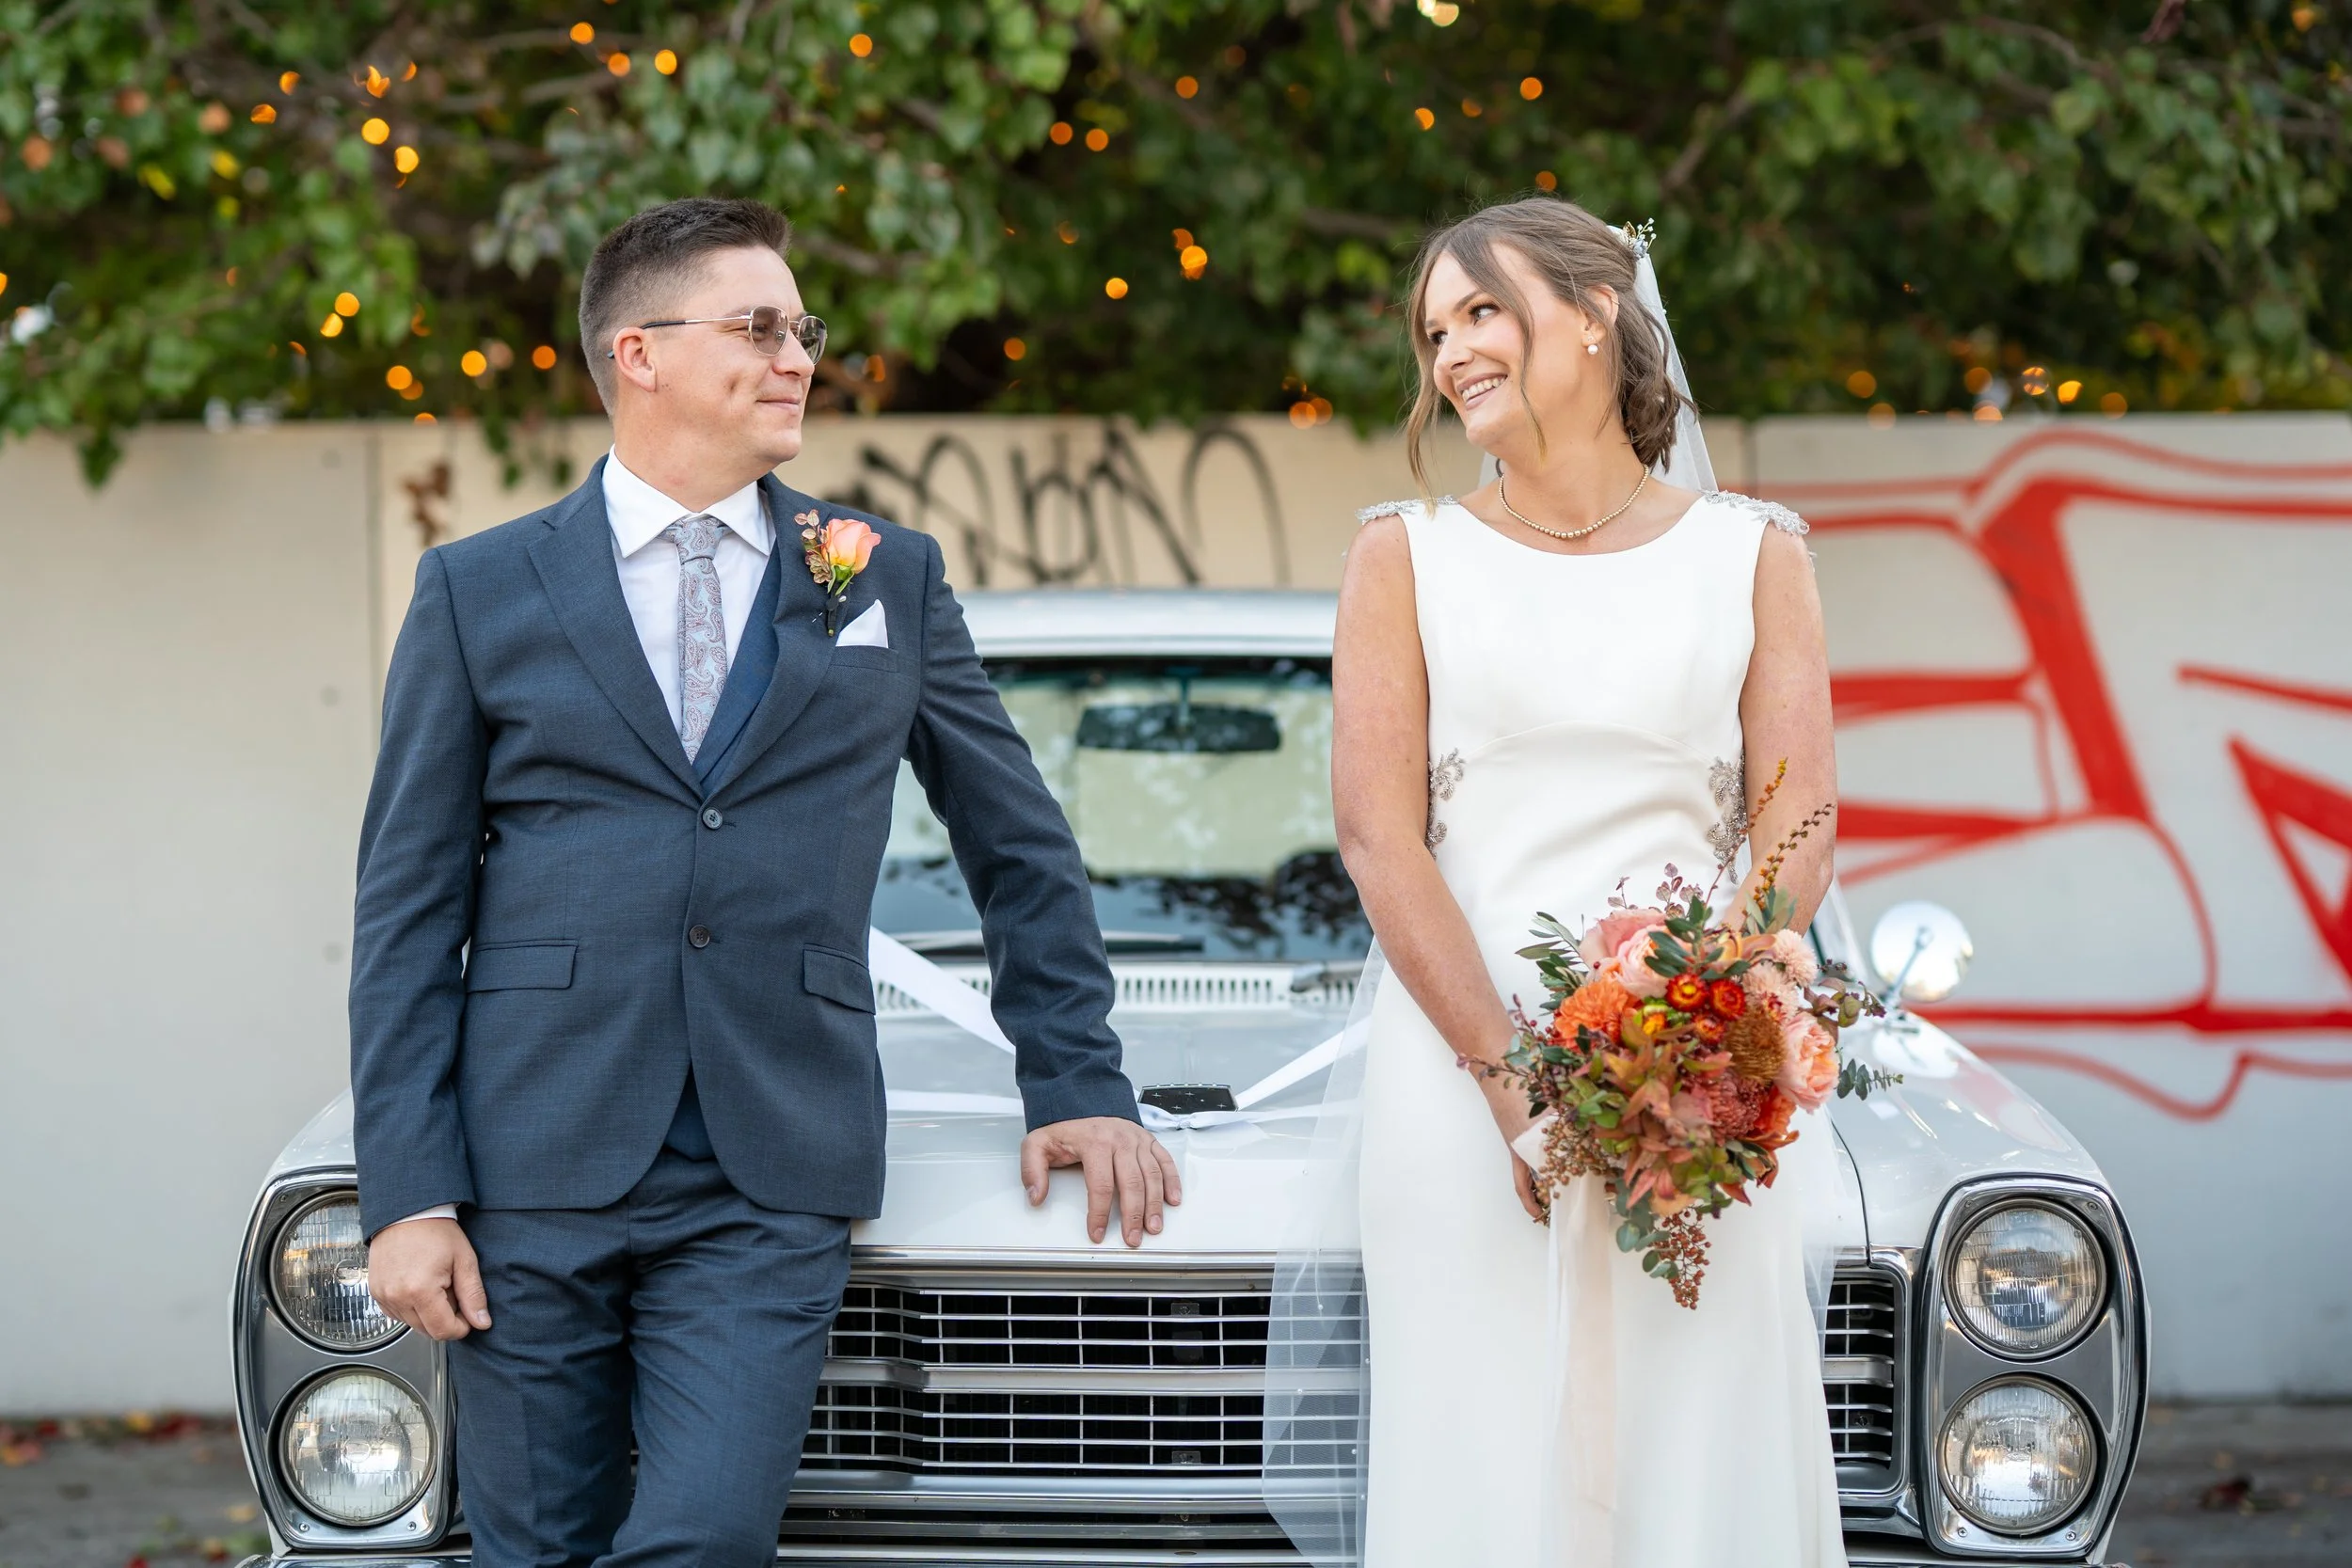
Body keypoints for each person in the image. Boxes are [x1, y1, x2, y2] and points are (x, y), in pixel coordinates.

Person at [349, 197, 1181, 1568]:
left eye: (803, 328)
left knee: (706, 1538)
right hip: (529, 1155)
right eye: (758, 327)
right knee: (532, 1545)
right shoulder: (477, 589)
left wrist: (1077, 1077)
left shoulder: (879, 577)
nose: (797, 354)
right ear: (639, 354)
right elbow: (405, 907)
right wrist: (410, 1189)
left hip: (769, 1161)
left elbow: (1016, 841)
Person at [1328, 195, 1844, 1565]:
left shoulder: (1756, 554)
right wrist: (1519, 1094)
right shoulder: (1404, 556)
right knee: (1486, 1451)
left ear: (1598, 310)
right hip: (1455, 1075)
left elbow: (1797, 829)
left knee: (1698, 1441)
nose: (1452, 354)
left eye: (1483, 310)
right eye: (1436, 331)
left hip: (1703, 1086)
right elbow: (1383, 838)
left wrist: (1710, 1048)